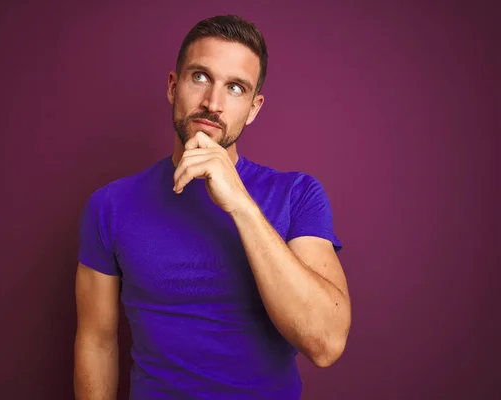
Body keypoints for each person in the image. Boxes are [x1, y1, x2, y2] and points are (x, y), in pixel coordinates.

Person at [73, 14, 351, 400]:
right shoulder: (111, 205)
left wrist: (240, 204)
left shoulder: (298, 195)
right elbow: (97, 341)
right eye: (200, 77)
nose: (212, 103)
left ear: (253, 109)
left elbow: (325, 343)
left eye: (235, 88)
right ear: (173, 86)